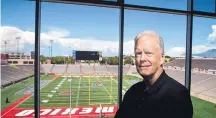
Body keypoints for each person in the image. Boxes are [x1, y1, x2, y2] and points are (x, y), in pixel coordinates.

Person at [114, 31, 193, 118]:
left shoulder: (177, 95)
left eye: (148, 53)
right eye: (138, 53)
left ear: (162, 58)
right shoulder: (133, 91)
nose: (142, 58)